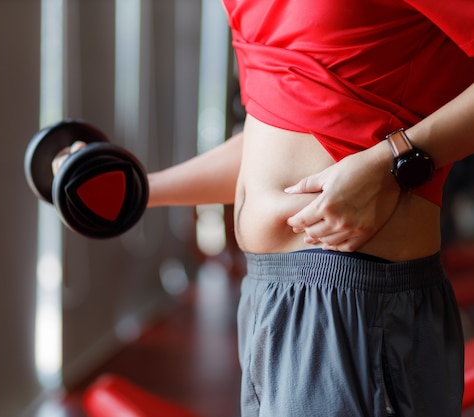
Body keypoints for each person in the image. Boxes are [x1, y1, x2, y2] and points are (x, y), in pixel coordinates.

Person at [54, 1, 474, 415]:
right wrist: (140, 190)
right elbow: (283, 134)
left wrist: (397, 163)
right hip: (268, 298)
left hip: (354, 294)